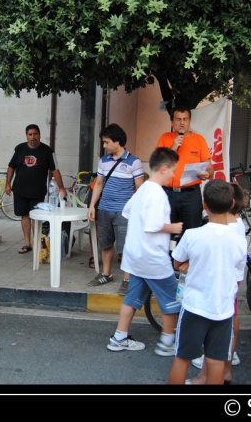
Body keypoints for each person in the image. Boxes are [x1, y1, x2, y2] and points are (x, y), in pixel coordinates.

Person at [105, 147, 183, 357]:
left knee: (132, 297)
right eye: (174, 170)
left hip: (135, 256)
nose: (175, 174)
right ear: (164, 168)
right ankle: (167, 343)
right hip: (153, 258)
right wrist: (173, 227)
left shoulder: (144, 189)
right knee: (170, 300)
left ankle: (119, 338)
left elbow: (127, 211)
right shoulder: (158, 194)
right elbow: (153, 224)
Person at [168, 180, 246, 385]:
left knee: (182, 358)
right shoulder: (239, 240)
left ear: (204, 205)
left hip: (195, 306)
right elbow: (238, 276)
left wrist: (189, 263)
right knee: (216, 361)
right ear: (231, 204)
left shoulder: (193, 235)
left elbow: (177, 262)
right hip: (223, 308)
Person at [87, 124, 144, 292]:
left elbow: (140, 189)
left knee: (126, 245)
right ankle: (106, 274)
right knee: (105, 243)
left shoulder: (134, 162)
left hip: (124, 211)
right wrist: (92, 205)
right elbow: (98, 184)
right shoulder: (103, 161)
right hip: (104, 208)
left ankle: (127, 279)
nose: (104, 146)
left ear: (117, 141)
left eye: (106, 142)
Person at [5, 124, 67, 254]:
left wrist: (61, 187)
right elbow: (11, 167)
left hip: (37, 191)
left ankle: (38, 243)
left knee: (36, 217)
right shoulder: (19, 149)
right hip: (20, 189)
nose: (33, 137)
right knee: (25, 216)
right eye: (30, 134)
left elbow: (55, 170)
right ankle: (27, 244)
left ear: (39, 135)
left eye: (35, 134)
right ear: (26, 136)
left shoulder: (47, 151)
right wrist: (8, 184)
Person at [155, 107, 213, 237]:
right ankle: (169, 257)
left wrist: (207, 174)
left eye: (185, 119)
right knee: (165, 234)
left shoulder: (199, 140)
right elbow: (158, 165)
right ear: (172, 122)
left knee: (191, 234)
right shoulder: (165, 138)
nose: (182, 123)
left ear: (189, 121)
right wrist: (173, 147)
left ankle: (187, 258)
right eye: (178, 119)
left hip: (191, 195)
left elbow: (210, 168)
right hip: (167, 193)